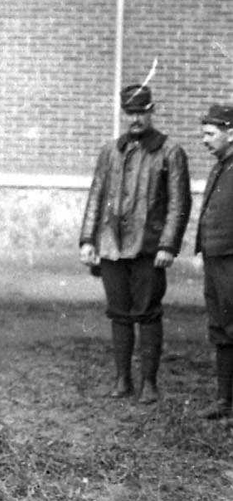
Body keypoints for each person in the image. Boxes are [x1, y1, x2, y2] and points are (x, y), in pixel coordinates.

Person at [79, 83, 191, 403]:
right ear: (122, 113)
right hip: (112, 246)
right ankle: (122, 379)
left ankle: (149, 383)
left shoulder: (170, 152)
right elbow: (96, 197)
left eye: (141, 112)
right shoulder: (110, 151)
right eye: (130, 112)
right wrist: (88, 240)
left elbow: (179, 204)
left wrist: (168, 245)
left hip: (148, 248)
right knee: (118, 313)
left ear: (152, 111)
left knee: (148, 313)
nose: (135, 119)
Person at [196, 103, 233, 420]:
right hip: (216, 260)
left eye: (210, 133)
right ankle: (224, 400)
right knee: (221, 328)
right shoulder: (221, 165)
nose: (204, 140)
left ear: (230, 133)